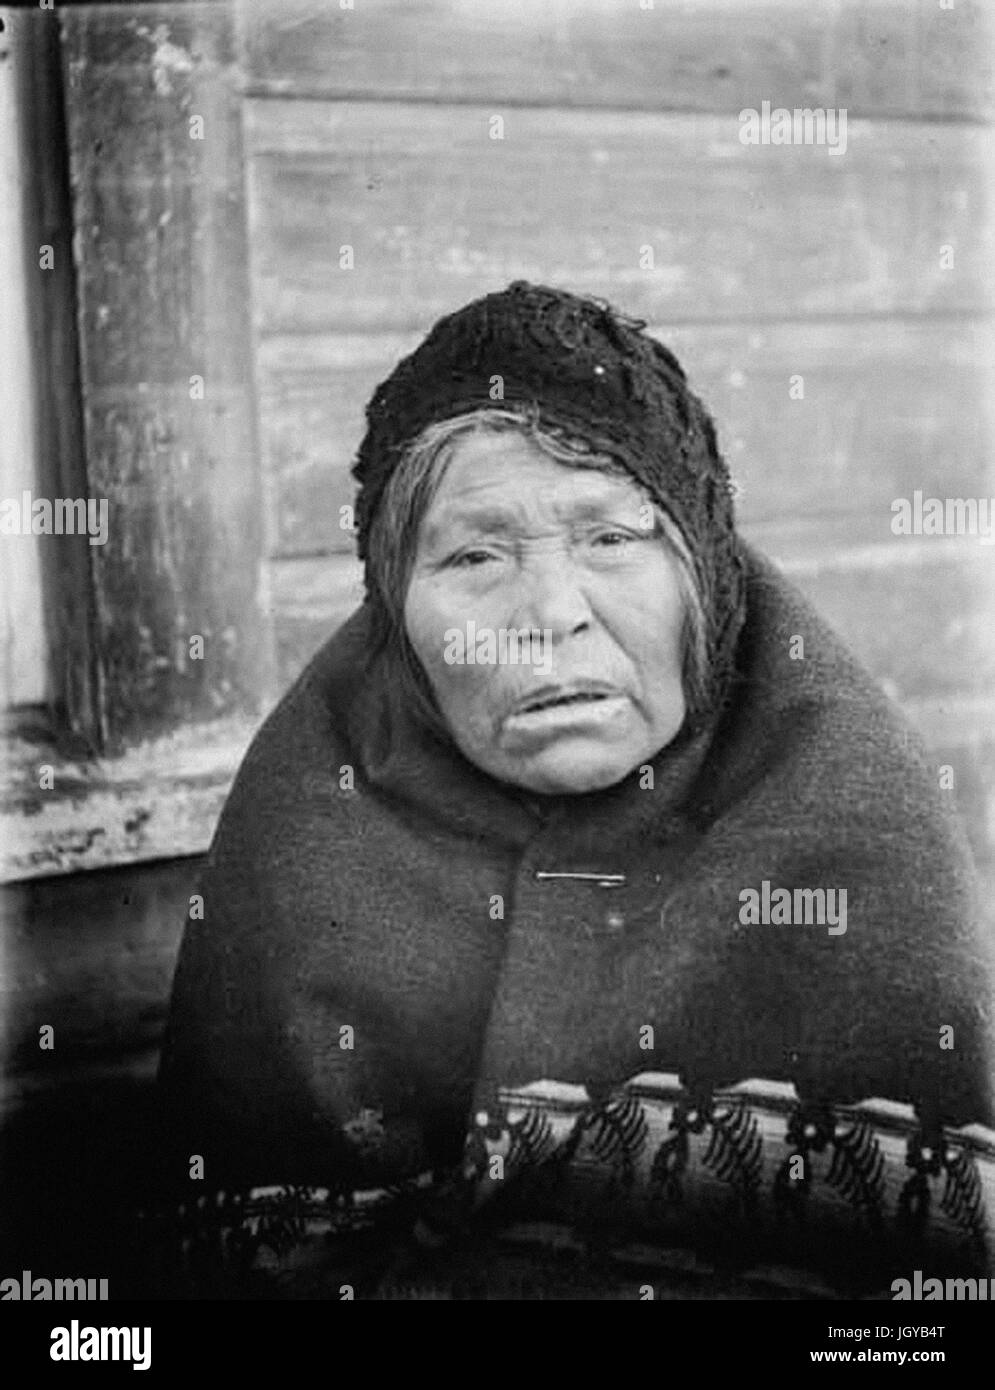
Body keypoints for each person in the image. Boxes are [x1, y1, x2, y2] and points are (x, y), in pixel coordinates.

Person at [155, 281, 995, 1298]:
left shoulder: (851, 815)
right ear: (396, 617)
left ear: (708, 582)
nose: (549, 611)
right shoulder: (305, 830)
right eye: (473, 553)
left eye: (609, 538)